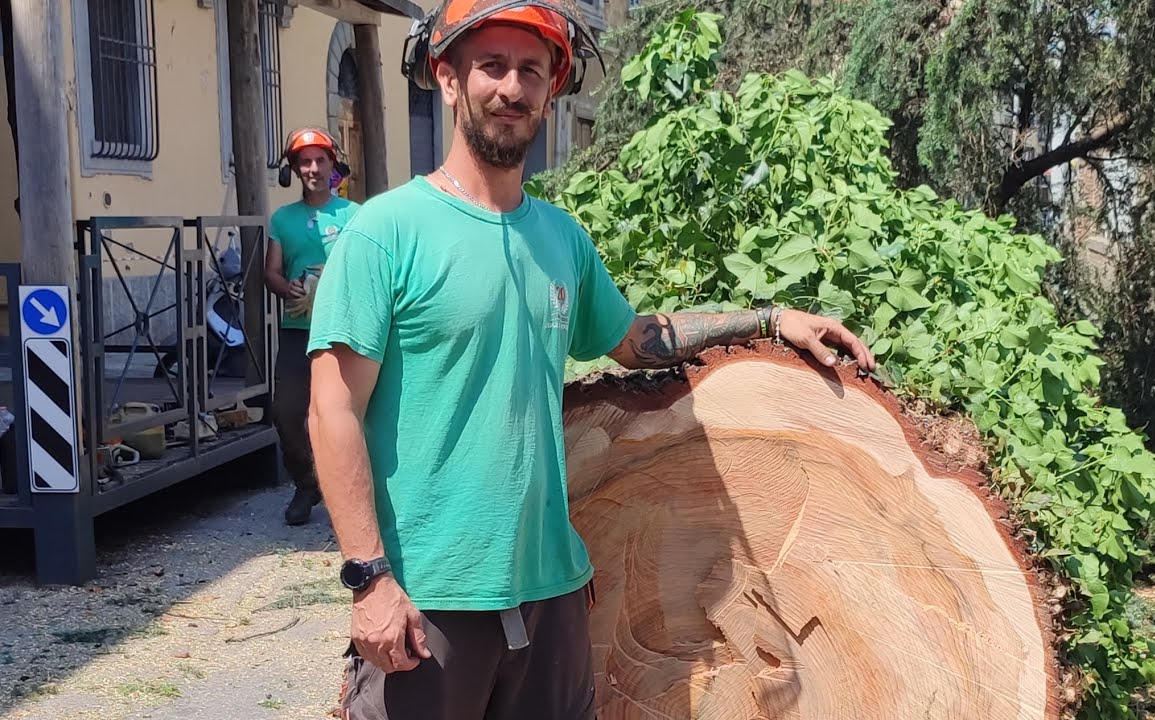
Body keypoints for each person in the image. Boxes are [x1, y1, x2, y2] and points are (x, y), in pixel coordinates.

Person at [306, 1, 877, 717]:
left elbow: (636, 339)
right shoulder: (385, 233)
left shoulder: (560, 239)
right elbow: (332, 409)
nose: (511, 88)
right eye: (491, 66)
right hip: (431, 601)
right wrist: (370, 579)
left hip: (551, 593)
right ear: (447, 78)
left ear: (551, 90)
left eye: (531, 71)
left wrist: (769, 317)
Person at [265, 127, 360, 526]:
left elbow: (365, 267)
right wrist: (284, 286)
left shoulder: (354, 215)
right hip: (295, 329)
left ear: (333, 164)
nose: (313, 168)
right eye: (305, 162)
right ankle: (307, 482)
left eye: (320, 160)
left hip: (341, 331)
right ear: (294, 170)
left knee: (347, 413)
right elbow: (270, 272)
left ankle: (353, 491)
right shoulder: (283, 219)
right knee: (286, 412)